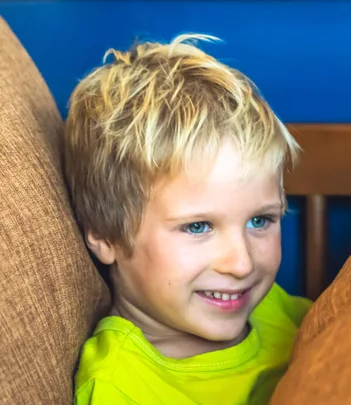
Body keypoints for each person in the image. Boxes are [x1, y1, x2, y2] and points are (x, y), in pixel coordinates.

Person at [65, 34, 312, 404]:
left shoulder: (274, 308)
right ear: (105, 234)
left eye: (260, 221)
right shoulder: (119, 388)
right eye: (198, 226)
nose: (241, 264)